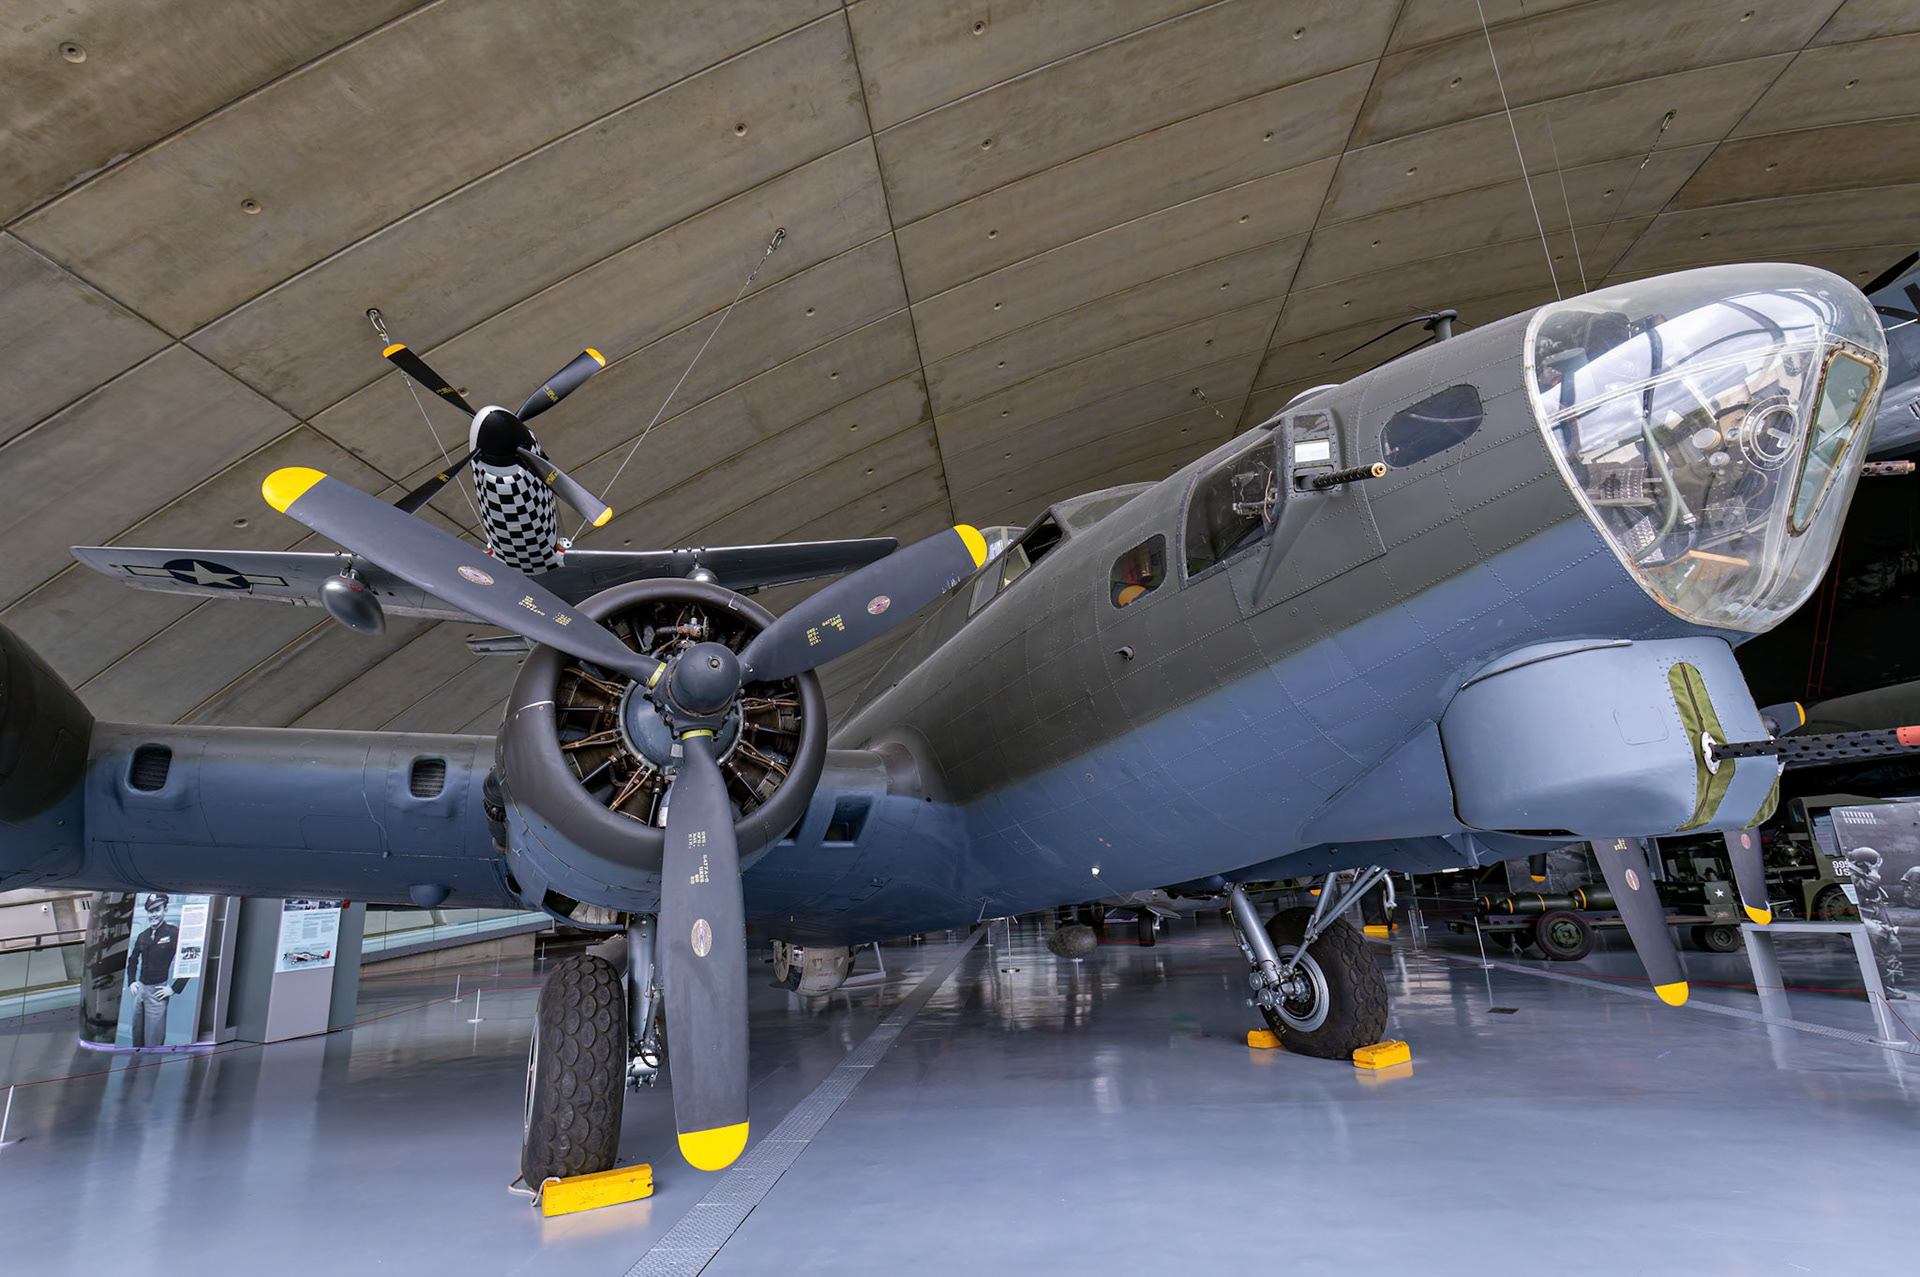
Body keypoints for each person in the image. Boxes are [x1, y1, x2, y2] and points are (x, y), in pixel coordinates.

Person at [126, 894, 180, 1048]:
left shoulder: (173, 933)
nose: (153, 915)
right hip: (140, 991)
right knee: (137, 1038)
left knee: (153, 1043)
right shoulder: (143, 936)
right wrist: (131, 981)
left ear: (165, 910)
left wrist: (174, 988)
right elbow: (133, 960)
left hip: (157, 992)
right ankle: (135, 1069)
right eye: (150, 911)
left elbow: (190, 957)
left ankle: (150, 1071)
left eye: (157, 910)